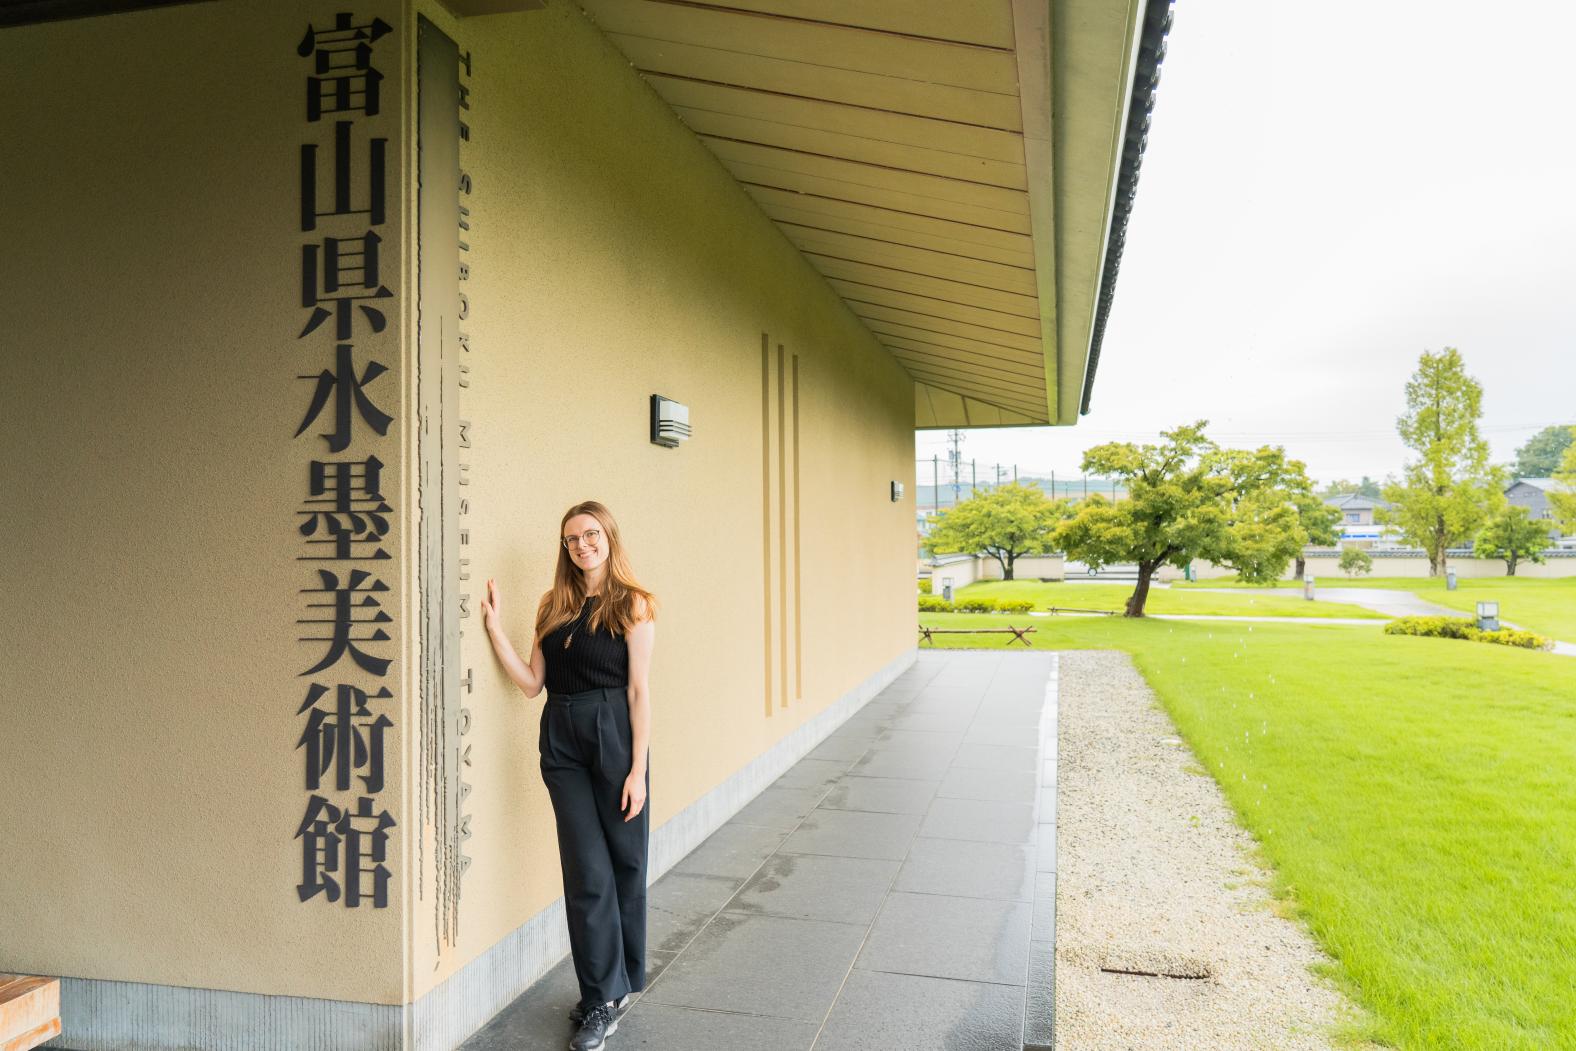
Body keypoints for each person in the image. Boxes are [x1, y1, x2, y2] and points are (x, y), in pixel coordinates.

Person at [479, 500, 657, 1051]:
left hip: (613, 734)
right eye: (572, 539)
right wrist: (494, 630)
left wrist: (638, 769)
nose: (582, 545)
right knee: (586, 872)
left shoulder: (635, 603)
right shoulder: (552, 605)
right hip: (561, 734)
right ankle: (601, 996)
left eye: (590, 534)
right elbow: (533, 683)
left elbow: (638, 690)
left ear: (609, 537)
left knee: (625, 863)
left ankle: (618, 979)